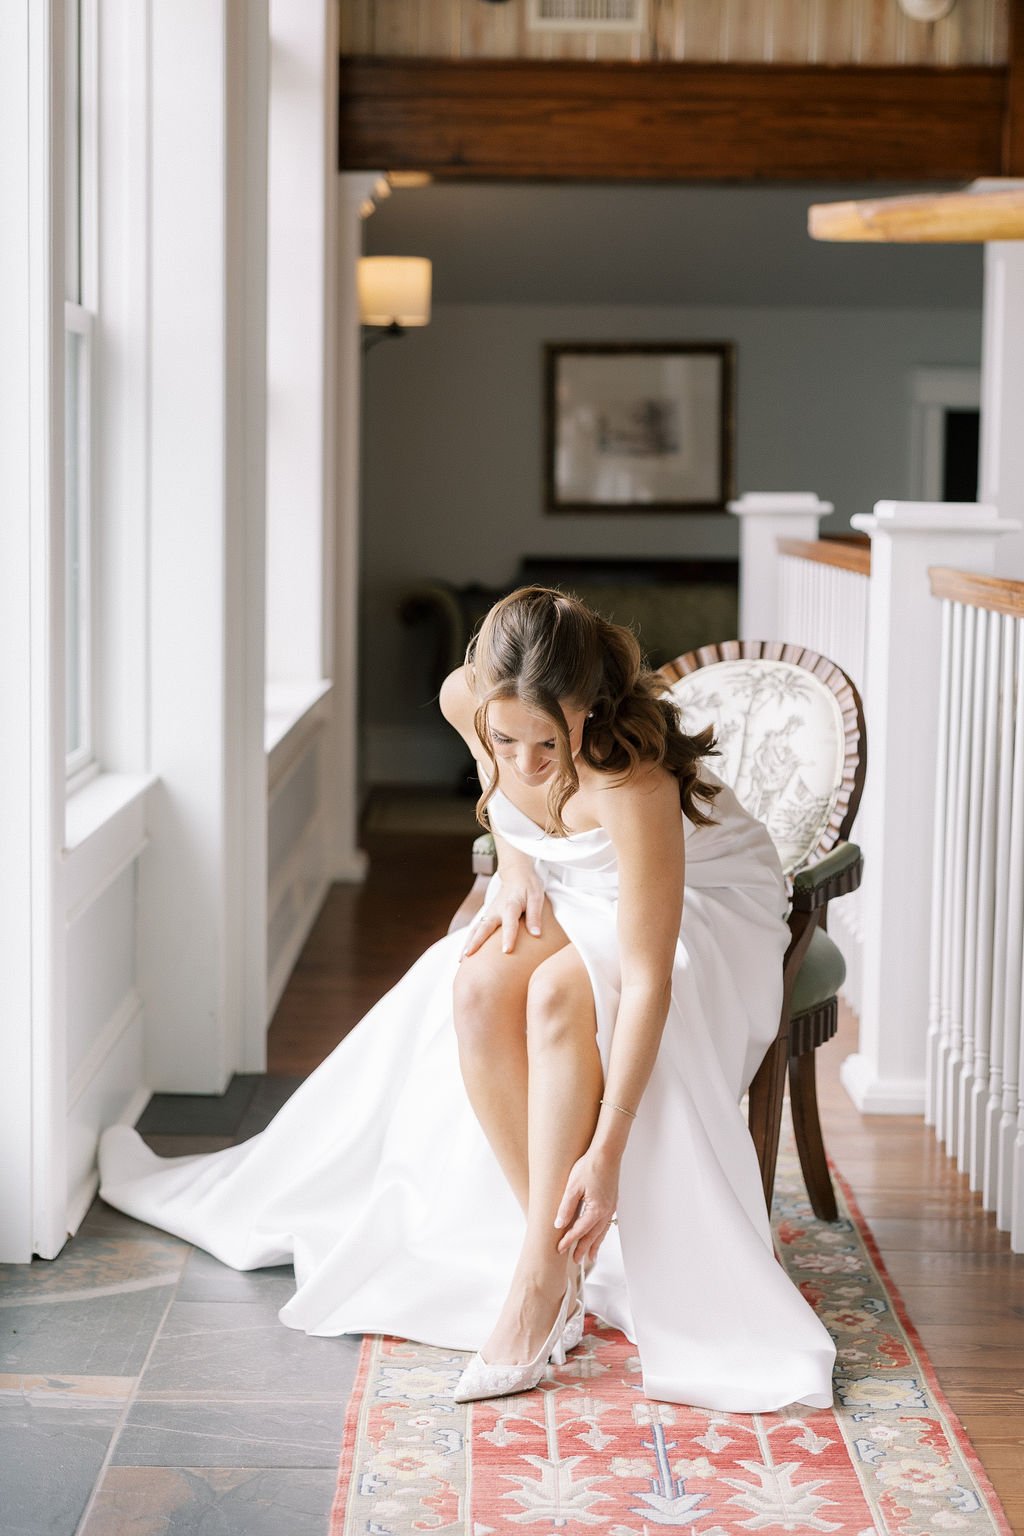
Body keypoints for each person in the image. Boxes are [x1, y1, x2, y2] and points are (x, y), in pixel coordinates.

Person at [99, 586, 836, 1413]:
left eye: (547, 743)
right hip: (574, 878)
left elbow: (649, 971)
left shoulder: (632, 780)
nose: (523, 762)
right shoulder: (466, 697)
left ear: (588, 713)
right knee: (479, 983)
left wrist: (608, 1150)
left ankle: (538, 1281)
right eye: (504, 737)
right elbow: (501, 794)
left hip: (699, 903)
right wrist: (517, 860)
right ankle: (551, 1253)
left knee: (562, 992)